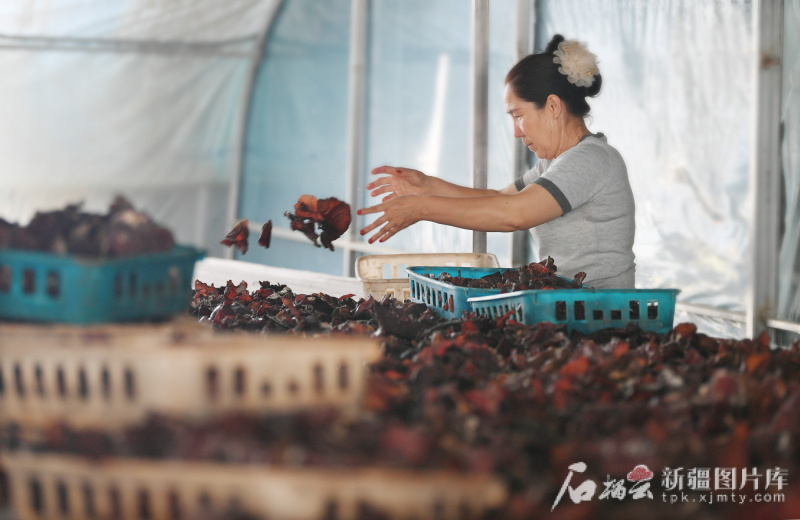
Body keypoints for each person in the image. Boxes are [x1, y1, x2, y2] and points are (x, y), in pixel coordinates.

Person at [357, 34, 635, 288]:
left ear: (553, 106)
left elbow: (514, 214)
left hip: (602, 312)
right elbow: (500, 198)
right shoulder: (554, 163)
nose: (516, 132)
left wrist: (421, 208)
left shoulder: (592, 159)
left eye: (519, 116)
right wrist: (428, 187)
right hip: (568, 305)